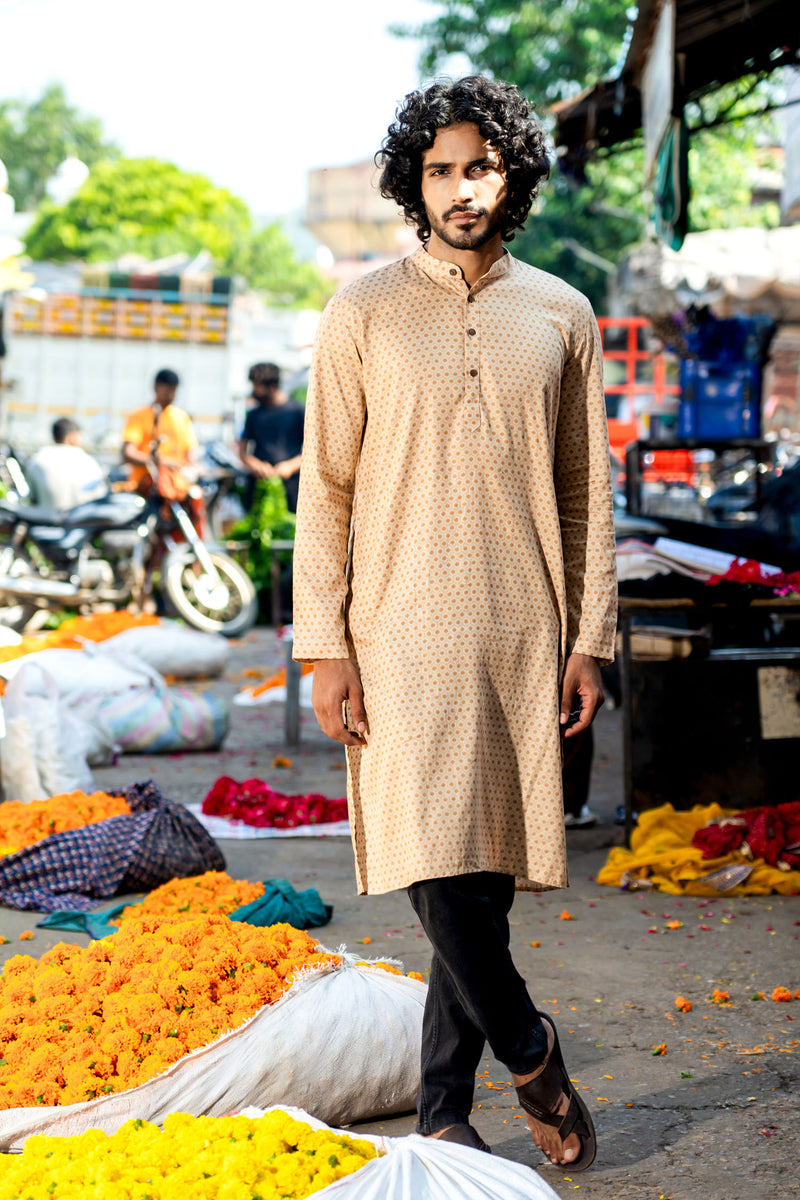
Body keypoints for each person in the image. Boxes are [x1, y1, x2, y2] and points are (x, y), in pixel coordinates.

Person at [292, 77, 617, 1171]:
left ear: (511, 172)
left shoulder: (561, 312)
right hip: (398, 626)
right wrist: (322, 644)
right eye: (438, 168)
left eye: (478, 165)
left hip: (521, 625)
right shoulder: (364, 312)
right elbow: (325, 488)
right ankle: (529, 1050)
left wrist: (591, 638)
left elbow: (585, 492)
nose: (460, 187)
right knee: (436, 867)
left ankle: (440, 1104)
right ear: (411, 182)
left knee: (475, 876)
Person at [121, 369, 198, 500]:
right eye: (167, 389)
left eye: (173, 390)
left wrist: (195, 469)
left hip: (176, 490)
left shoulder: (181, 417)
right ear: (156, 387)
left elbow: (190, 456)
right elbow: (128, 453)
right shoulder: (139, 416)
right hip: (144, 487)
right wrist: (161, 463)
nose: (171, 394)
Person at [237, 362, 304, 513]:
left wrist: (290, 466)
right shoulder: (254, 414)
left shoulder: (297, 411)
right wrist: (257, 466)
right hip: (258, 486)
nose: (254, 391)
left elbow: (312, 450)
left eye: (258, 386)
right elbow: (242, 451)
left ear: (272, 386)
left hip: (292, 487)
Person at [26, 417, 106, 509]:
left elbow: (31, 497)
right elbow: (99, 496)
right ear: (72, 436)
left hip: (45, 519)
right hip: (80, 520)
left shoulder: (36, 460)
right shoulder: (89, 462)